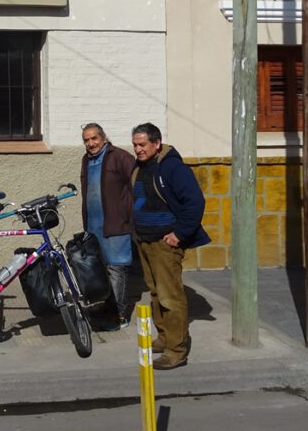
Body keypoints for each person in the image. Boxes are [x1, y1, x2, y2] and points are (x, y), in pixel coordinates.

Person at [130, 122, 210, 370]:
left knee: (170, 296)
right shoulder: (141, 166)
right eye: (135, 145)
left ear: (156, 143)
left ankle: (176, 351)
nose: (138, 149)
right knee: (155, 292)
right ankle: (164, 337)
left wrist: (180, 233)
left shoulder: (173, 167)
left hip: (165, 242)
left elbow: (195, 202)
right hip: (145, 239)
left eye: (142, 144)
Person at [79, 123, 136, 330]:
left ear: (104, 138)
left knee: (116, 268)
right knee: (101, 270)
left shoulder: (120, 157)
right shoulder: (87, 159)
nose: (90, 143)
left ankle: (120, 315)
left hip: (116, 224)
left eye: (94, 138)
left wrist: (128, 213)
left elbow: (136, 186)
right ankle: (107, 306)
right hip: (94, 226)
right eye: (86, 140)